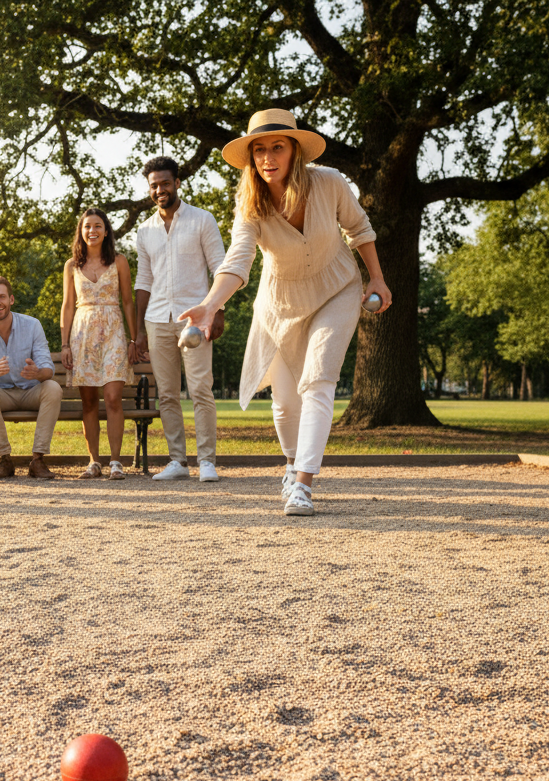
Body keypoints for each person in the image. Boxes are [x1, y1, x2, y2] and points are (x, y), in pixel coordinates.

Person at [179, 108, 392, 516]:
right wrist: (209, 305)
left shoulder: (329, 183)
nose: (267, 157)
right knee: (285, 402)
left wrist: (377, 280)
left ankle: (303, 485)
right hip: (279, 302)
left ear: (295, 151)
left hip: (337, 290)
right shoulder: (250, 205)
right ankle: (291, 464)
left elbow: (360, 229)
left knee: (319, 379)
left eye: (277, 147)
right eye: (259, 149)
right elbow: (237, 262)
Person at [134, 155, 227, 483]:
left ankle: (207, 462)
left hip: (196, 319)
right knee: (169, 394)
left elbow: (220, 266)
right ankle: (177, 461)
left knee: (202, 389)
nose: (160, 189)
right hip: (157, 319)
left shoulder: (202, 220)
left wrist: (218, 311)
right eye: (154, 185)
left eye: (165, 183)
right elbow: (143, 282)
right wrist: (138, 333)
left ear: (177, 183)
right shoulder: (144, 231)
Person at [60, 208, 137, 480]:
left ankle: (116, 461)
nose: (92, 231)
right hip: (82, 334)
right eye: (87, 226)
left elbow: (128, 301)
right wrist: (65, 344)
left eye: (97, 226)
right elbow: (68, 305)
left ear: (106, 231)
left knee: (113, 398)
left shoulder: (119, 261)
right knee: (89, 402)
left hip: (114, 329)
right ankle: (94, 461)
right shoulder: (72, 265)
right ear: (81, 232)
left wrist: (133, 338)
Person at [0, 276, 62, 480]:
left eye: (2, 297)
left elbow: (48, 369)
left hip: (31, 391)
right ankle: (5, 460)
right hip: (2, 394)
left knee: (53, 388)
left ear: (11, 299)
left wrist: (37, 373)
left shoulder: (32, 325)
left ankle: (37, 460)